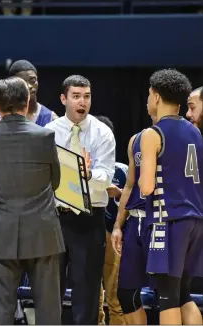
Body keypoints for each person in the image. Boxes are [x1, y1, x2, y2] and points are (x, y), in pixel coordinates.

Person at [0, 76, 64, 324]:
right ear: (26, 104)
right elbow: (55, 181)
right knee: (48, 310)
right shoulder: (45, 136)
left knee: (1, 308)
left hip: (0, 231)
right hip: (42, 232)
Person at [45, 75, 116, 325]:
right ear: (64, 99)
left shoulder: (102, 133)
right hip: (55, 218)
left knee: (87, 294)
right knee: (50, 290)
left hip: (89, 218)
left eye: (86, 96)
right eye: (76, 96)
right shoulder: (48, 133)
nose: (82, 102)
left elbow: (106, 176)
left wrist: (86, 173)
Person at [138, 68, 203, 325]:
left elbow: (146, 187)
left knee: (167, 297)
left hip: (169, 220)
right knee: (184, 295)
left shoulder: (152, 134)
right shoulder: (196, 132)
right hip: (196, 221)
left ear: (155, 96)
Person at [111, 120, 156, 325]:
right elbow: (129, 185)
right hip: (134, 220)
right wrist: (118, 225)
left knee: (170, 297)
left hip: (161, 220)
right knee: (126, 294)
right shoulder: (135, 140)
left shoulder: (178, 138)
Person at [94, 115, 126, 325]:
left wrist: (119, 193)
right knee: (92, 298)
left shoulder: (123, 170)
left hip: (113, 233)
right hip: (87, 233)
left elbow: (140, 200)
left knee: (115, 296)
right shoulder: (82, 167)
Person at [0, 59, 58, 128]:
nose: (29, 86)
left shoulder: (52, 119)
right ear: (12, 84)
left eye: (33, 80)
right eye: (23, 83)